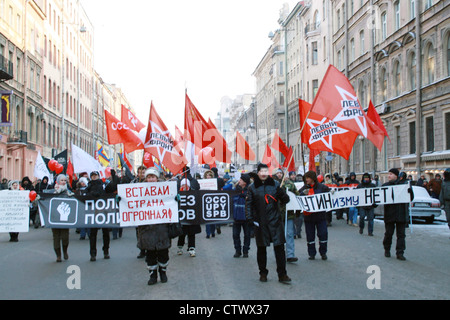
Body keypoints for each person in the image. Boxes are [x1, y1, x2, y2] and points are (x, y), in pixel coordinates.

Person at [245, 163, 291, 284]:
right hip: (260, 222)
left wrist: (283, 195)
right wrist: (250, 218)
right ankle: (263, 273)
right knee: (261, 249)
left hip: (275, 221)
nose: (263, 174)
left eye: (266, 171)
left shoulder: (275, 185)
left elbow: (285, 200)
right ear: (258, 173)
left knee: (279, 248)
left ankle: (282, 274)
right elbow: (249, 204)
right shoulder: (252, 187)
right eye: (261, 171)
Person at [137, 167, 171, 285]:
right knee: (150, 253)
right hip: (146, 228)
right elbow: (131, 204)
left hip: (161, 227)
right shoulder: (138, 189)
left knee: (163, 252)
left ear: (157, 178)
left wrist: (176, 200)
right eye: (149, 177)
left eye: (153, 177)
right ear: (146, 179)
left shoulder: (166, 189)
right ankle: (153, 275)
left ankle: (163, 272)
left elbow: (172, 204)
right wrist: (120, 200)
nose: (151, 179)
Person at [298, 171, 331, 261]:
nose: (306, 180)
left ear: (312, 178)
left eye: (308, 178)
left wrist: (332, 192)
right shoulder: (304, 189)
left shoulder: (322, 187)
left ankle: (323, 252)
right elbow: (297, 198)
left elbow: (329, 194)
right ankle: (311, 253)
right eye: (305, 178)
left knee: (323, 234)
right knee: (310, 236)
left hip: (320, 216)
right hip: (309, 217)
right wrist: (302, 194)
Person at [274, 169, 300, 263]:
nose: (280, 175)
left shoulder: (290, 184)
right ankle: (279, 254)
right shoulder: (273, 184)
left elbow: (297, 196)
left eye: (281, 173)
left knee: (289, 233)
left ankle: (290, 254)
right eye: (278, 173)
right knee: (278, 235)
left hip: (288, 213)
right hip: (277, 213)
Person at [382, 168, 409, 261]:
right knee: (389, 233)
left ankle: (400, 252)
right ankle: (387, 249)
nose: (389, 175)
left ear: (396, 176)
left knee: (401, 235)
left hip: (401, 213)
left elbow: (411, 198)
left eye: (391, 174)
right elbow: (378, 198)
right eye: (388, 174)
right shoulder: (385, 186)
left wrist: (409, 191)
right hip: (390, 214)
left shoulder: (404, 186)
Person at [177, 166, 201, 257]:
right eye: (183, 186)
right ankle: (180, 247)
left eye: (186, 186)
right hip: (182, 218)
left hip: (192, 217)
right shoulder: (178, 194)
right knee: (181, 234)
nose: (184, 187)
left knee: (191, 234)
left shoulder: (194, 193)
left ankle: (192, 248)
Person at [86, 171, 110, 261]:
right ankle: (93, 253)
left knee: (106, 233)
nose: (94, 177)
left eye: (95, 175)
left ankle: (106, 251)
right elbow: (84, 197)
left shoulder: (103, 185)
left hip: (104, 212)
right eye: (92, 176)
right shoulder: (88, 186)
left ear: (98, 176)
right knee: (93, 234)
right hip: (93, 213)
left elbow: (111, 191)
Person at [52, 174, 73, 262]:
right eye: (62, 180)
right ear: (58, 181)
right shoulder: (53, 191)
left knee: (65, 237)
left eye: (65, 180)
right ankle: (58, 255)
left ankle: (65, 251)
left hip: (65, 218)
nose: (64, 182)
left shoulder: (68, 192)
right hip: (54, 218)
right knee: (56, 237)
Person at [232, 174, 251, 258]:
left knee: (247, 234)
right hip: (236, 216)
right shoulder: (235, 190)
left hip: (246, 216)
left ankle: (246, 250)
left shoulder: (250, 190)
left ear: (245, 182)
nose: (239, 181)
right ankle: (238, 250)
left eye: (241, 180)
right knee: (235, 234)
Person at [203, 170, 217, 239]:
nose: (208, 176)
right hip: (206, 201)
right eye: (207, 175)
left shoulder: (214, 183)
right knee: (207, 219)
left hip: (213, 202)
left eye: (209, 175)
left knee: (213, 219)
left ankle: (213, 231)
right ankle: (208, 233)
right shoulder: (203, 183)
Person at [439, 168, 450, 234]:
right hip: (447, 202)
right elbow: (442, 193)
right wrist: (442, 203)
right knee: (448, 218)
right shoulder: (444, 182)